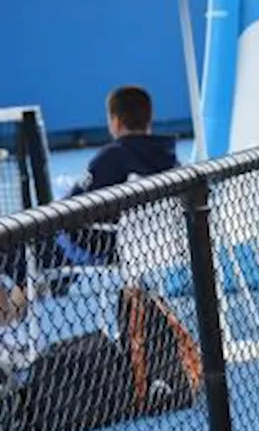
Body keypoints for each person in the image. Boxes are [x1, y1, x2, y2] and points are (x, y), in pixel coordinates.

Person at [1, 86, 178, 321]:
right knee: (26, 265)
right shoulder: (171, 159)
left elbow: (69, 208)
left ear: (114, 121)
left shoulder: (113, 157)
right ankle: (21, 304)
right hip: (148, 245)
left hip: (89, 246)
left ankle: (12, 314)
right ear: (149, 118)